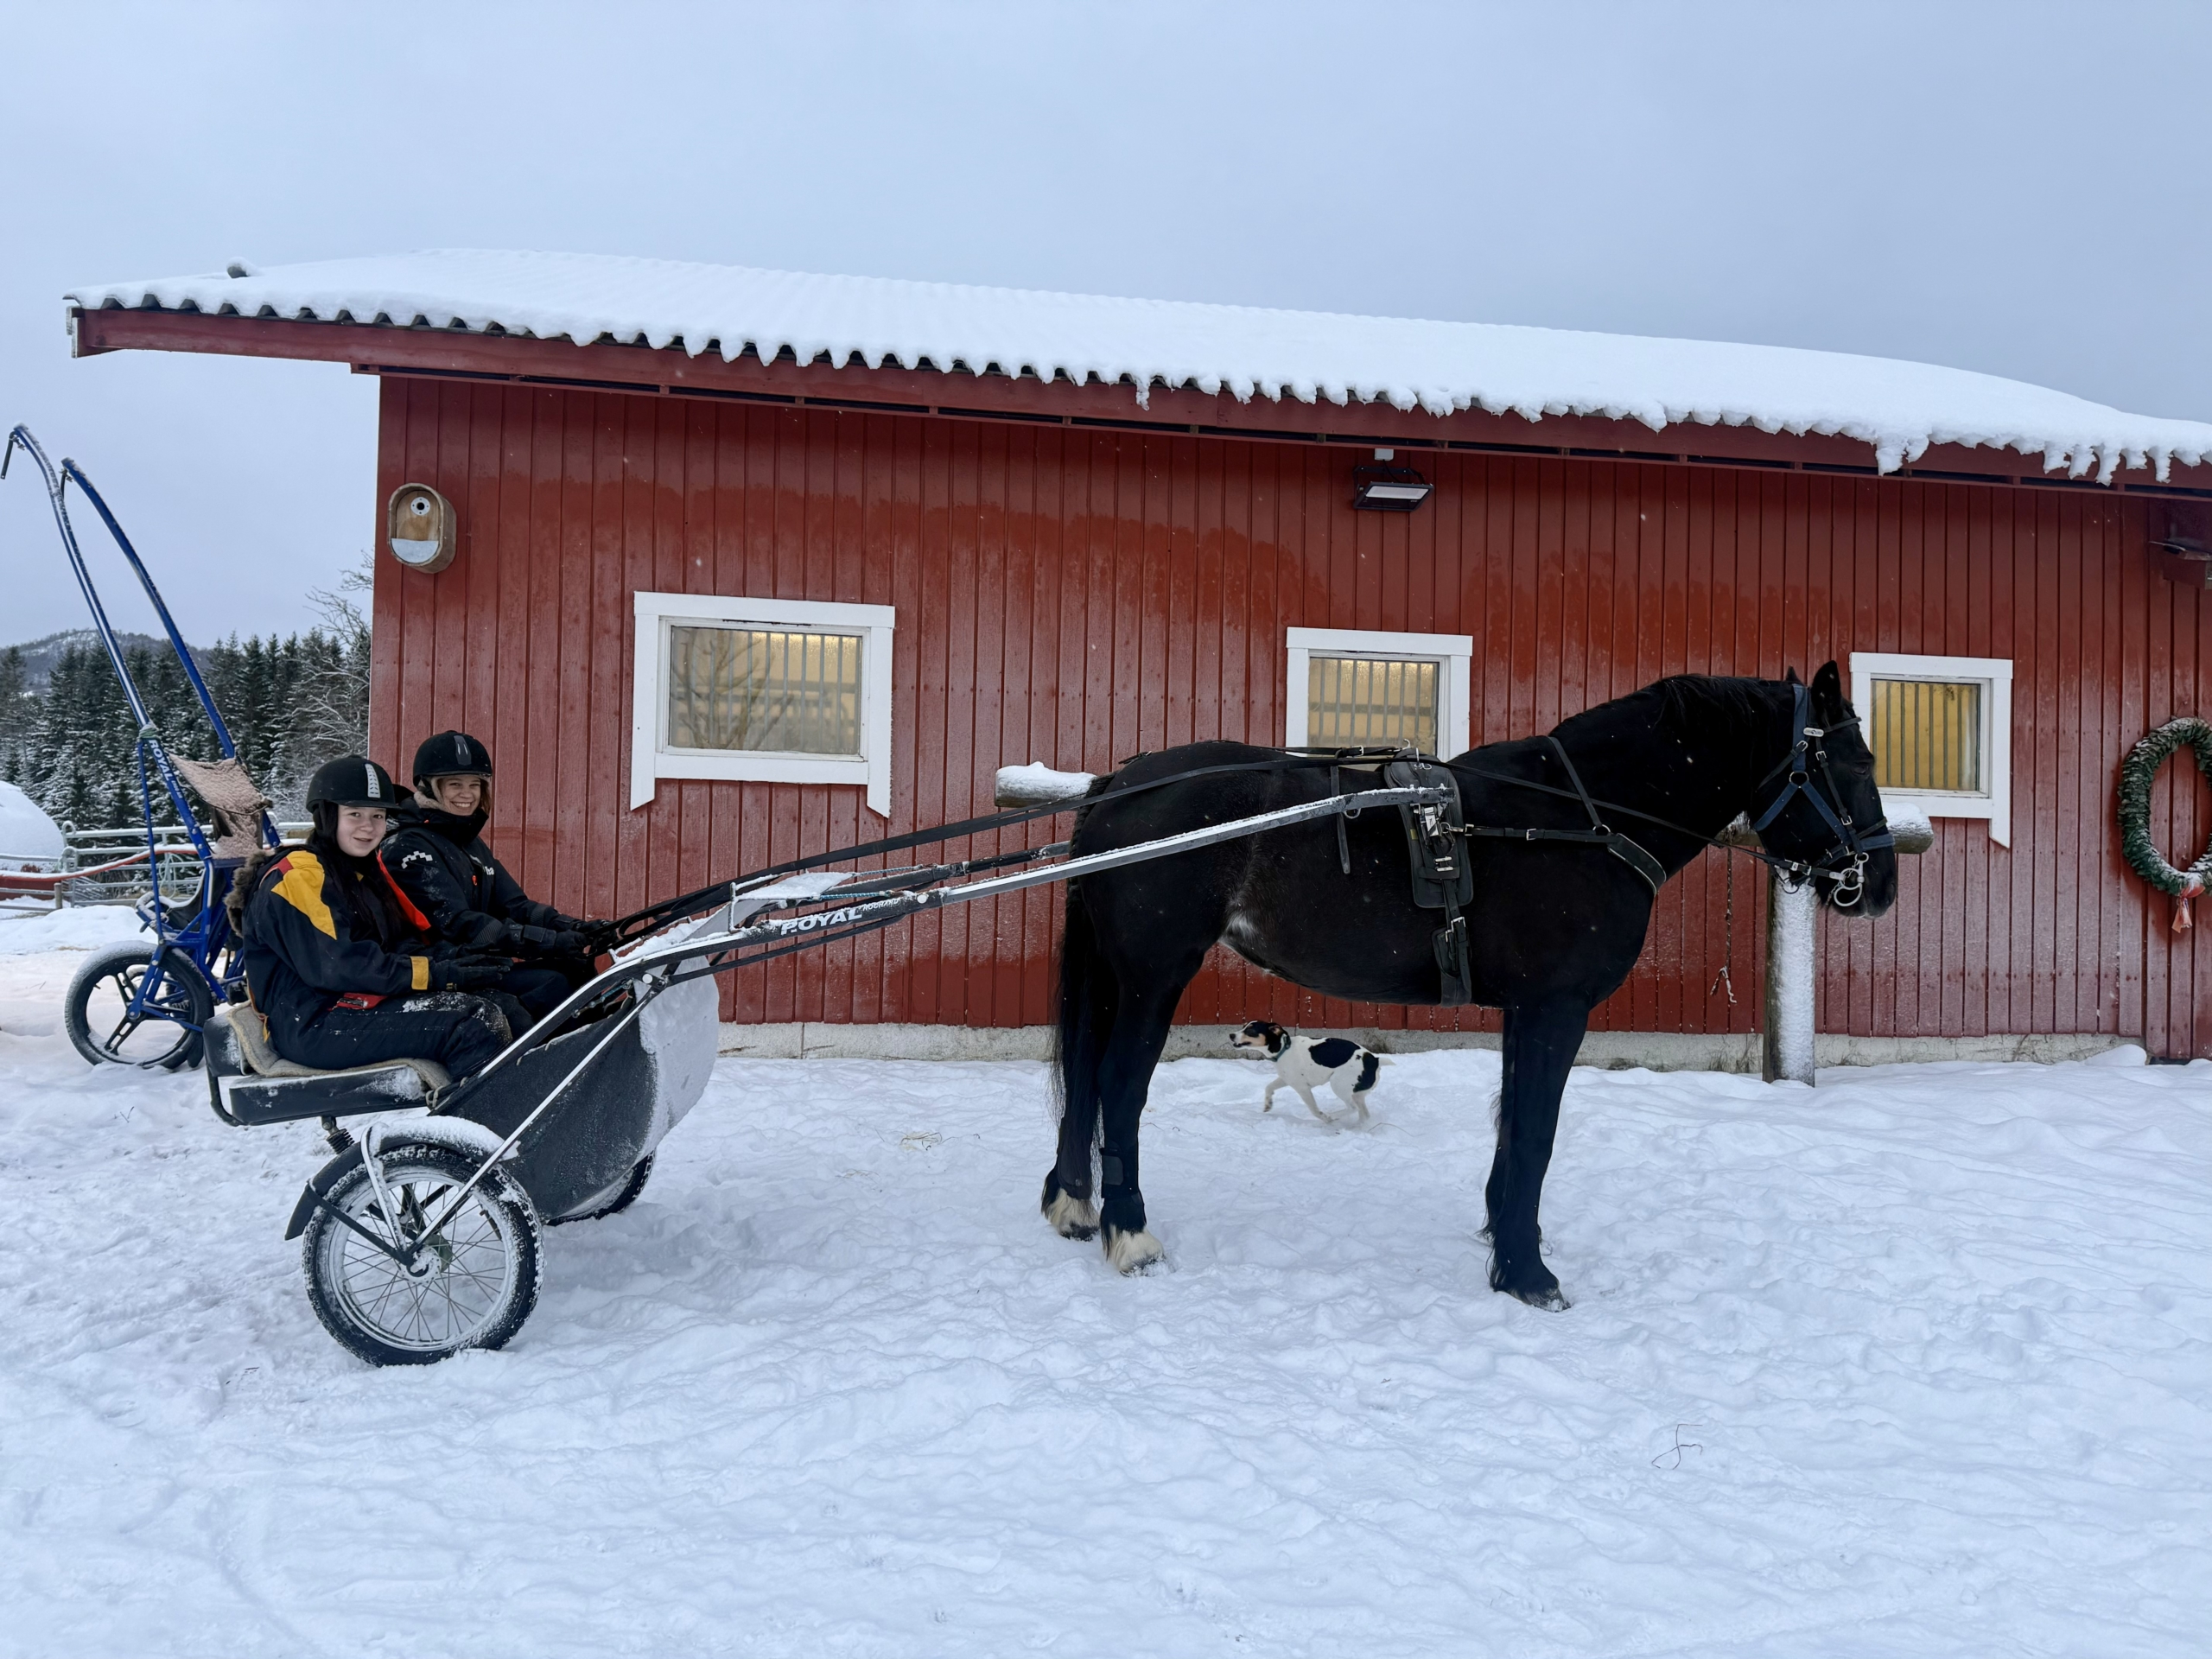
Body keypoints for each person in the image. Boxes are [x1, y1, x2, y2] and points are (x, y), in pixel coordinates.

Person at [237, 755, 517, 1077]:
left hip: (355, 1001)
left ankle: (526, 1103)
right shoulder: (299, 876)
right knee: (473, 1024)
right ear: (327, 815)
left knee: (503, 1004)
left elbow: (396, 943)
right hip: (312, 1021)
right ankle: (480, 1108)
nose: (368, 827)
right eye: (355, 814)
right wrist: (438, 974)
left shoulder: (358, 872)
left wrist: (455, 959)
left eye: (378, 815)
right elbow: (342, 966)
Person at [379, 730, 611, 1026]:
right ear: (429, 787)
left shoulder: (467, 841)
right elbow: (460, 924)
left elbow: (515, 905)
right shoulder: (407, 847)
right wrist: (550, 941)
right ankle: (545, 1054)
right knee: (550, 985)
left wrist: (570, 927)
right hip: (440, 968)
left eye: (474, 784)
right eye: (455, 784)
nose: (467, 794)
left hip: (475, 960)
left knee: (575, 968)